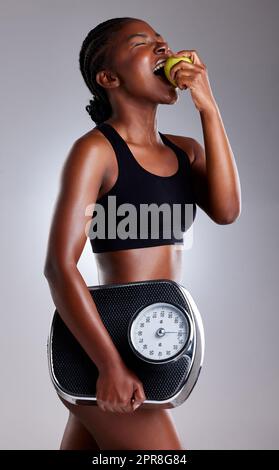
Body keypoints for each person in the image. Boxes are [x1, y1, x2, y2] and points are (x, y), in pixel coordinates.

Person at [43, 16, 241, 450]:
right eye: (142, 43)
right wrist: (109, 365)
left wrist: (207, 104)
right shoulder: (96, 151)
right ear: (109, 77)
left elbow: (226, 211)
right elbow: (59, 266)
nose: (162, 48)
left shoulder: (185, 151)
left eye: (162, 42)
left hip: (156, 334)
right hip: (106, 337)